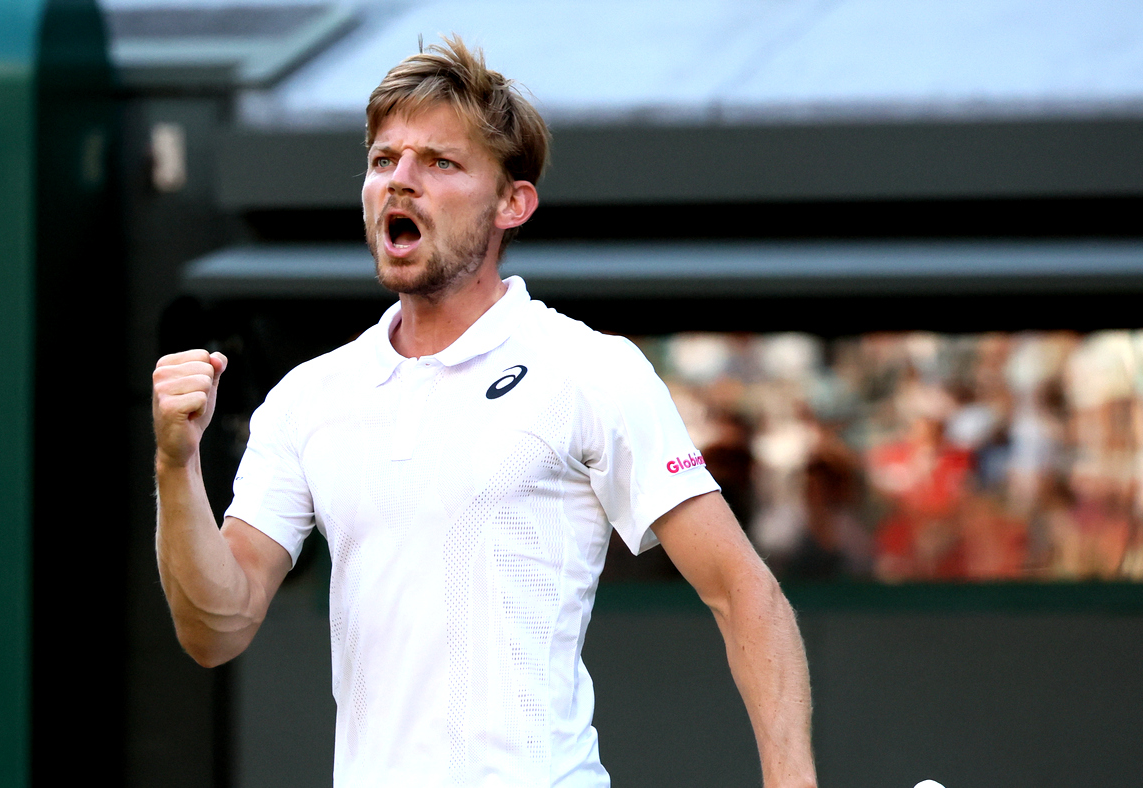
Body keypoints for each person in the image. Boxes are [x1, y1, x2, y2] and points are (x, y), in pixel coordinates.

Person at [152, 37, 816, 788]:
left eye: (440, 162)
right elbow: (216, 627)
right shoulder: (309, 397)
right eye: (383, 160)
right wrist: (177, 465)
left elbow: (743, 592)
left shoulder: (591, 370)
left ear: (512, 203)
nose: (401, 181)